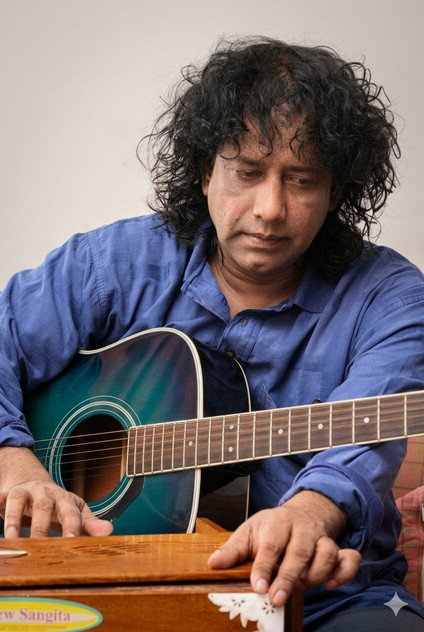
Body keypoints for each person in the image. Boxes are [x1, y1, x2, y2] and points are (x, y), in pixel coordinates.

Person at [0, 36, 423, 631]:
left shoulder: (392, 298)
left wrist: (310, 511)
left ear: (336, 192)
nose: (270, 208)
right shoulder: (116, 262)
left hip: (325, 598)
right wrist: (17, 465)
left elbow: (372, 429)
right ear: (205, 172)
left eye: (302, 180)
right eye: (247, 172)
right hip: (106, 578)